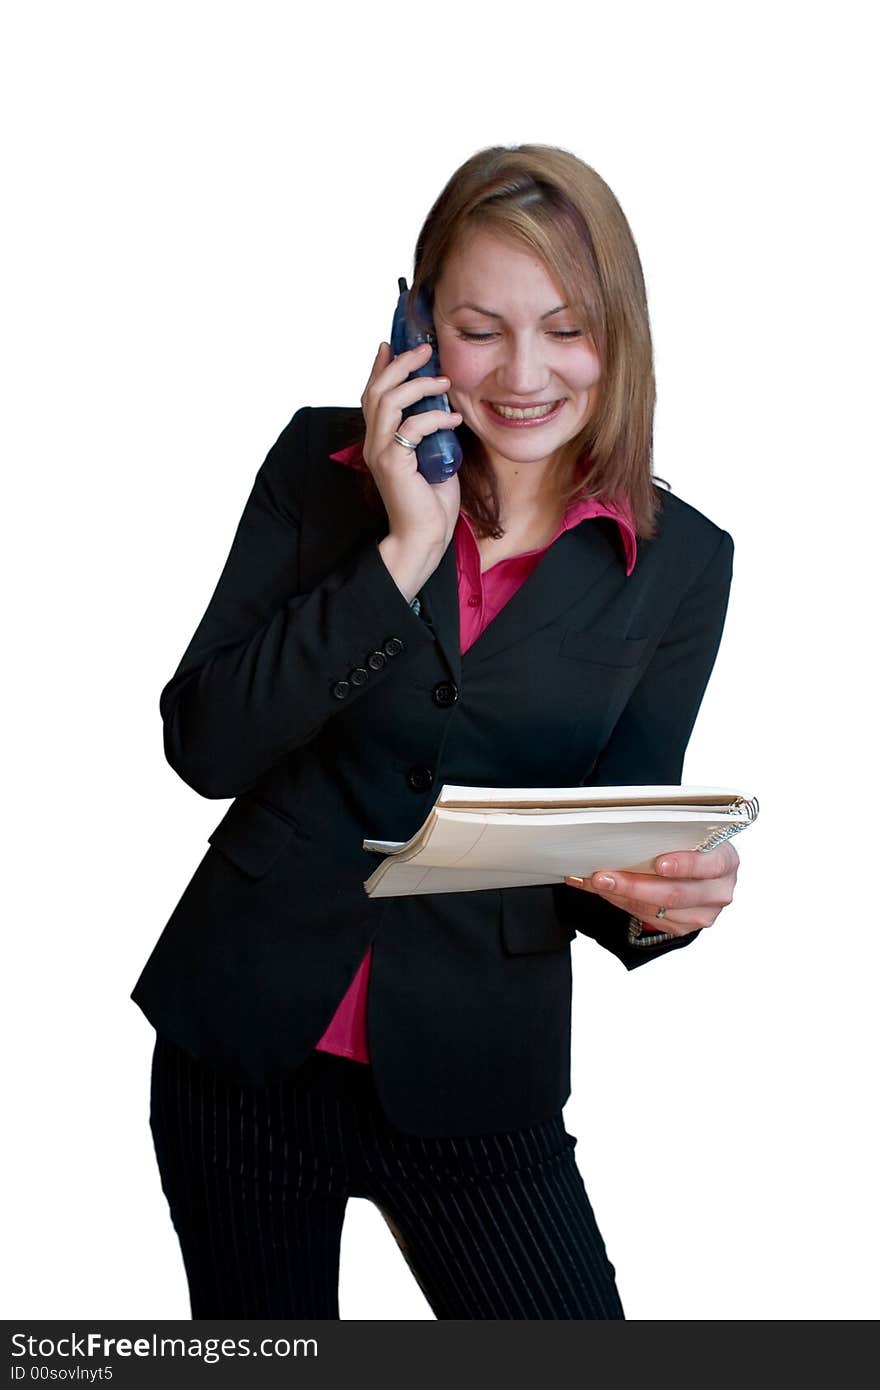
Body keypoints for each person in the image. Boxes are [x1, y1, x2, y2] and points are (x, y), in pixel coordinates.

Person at [132, 143, 740, 1320]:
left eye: (567, 327)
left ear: (621, 337)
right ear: (414, 329)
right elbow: (205, 746)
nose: (524, 373)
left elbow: (598, 848)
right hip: (244, 1038)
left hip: (478, 1072)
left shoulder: (683, 564)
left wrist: (662, 896)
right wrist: (402, 547)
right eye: (477, 328)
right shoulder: (320, 471)